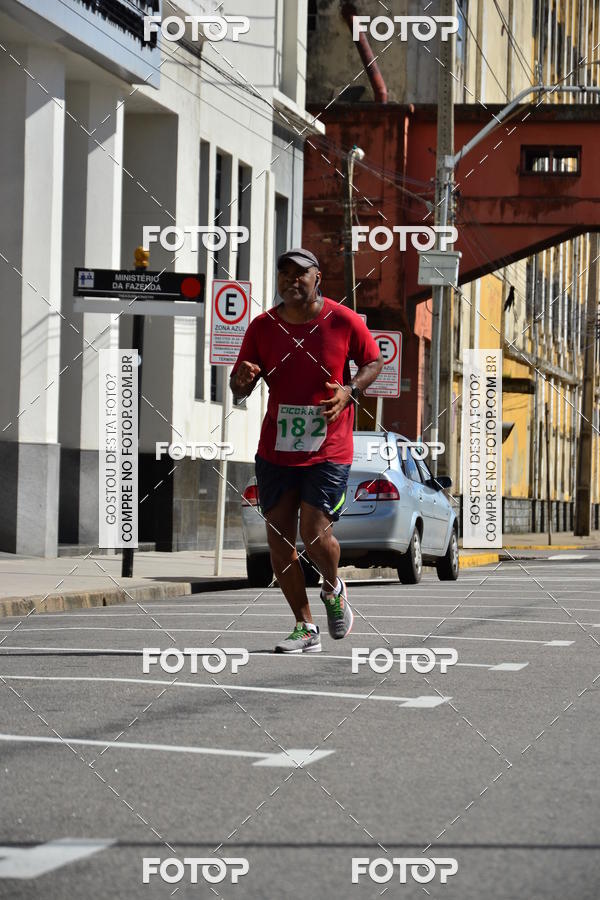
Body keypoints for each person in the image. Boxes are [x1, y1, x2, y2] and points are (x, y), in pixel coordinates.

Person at [230, 248, 384, 653]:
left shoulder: (342, 320)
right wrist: (239, 381)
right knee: (278, 536)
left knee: (313, 531)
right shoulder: (262, 327)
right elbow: (239, 386)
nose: (291, 280)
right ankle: (304, 626)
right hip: (276, 448)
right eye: (284, 273)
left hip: (329, 445)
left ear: (318, 279)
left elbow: (373, 360)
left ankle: (333, 589)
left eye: (300, 273)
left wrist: (351, 391)